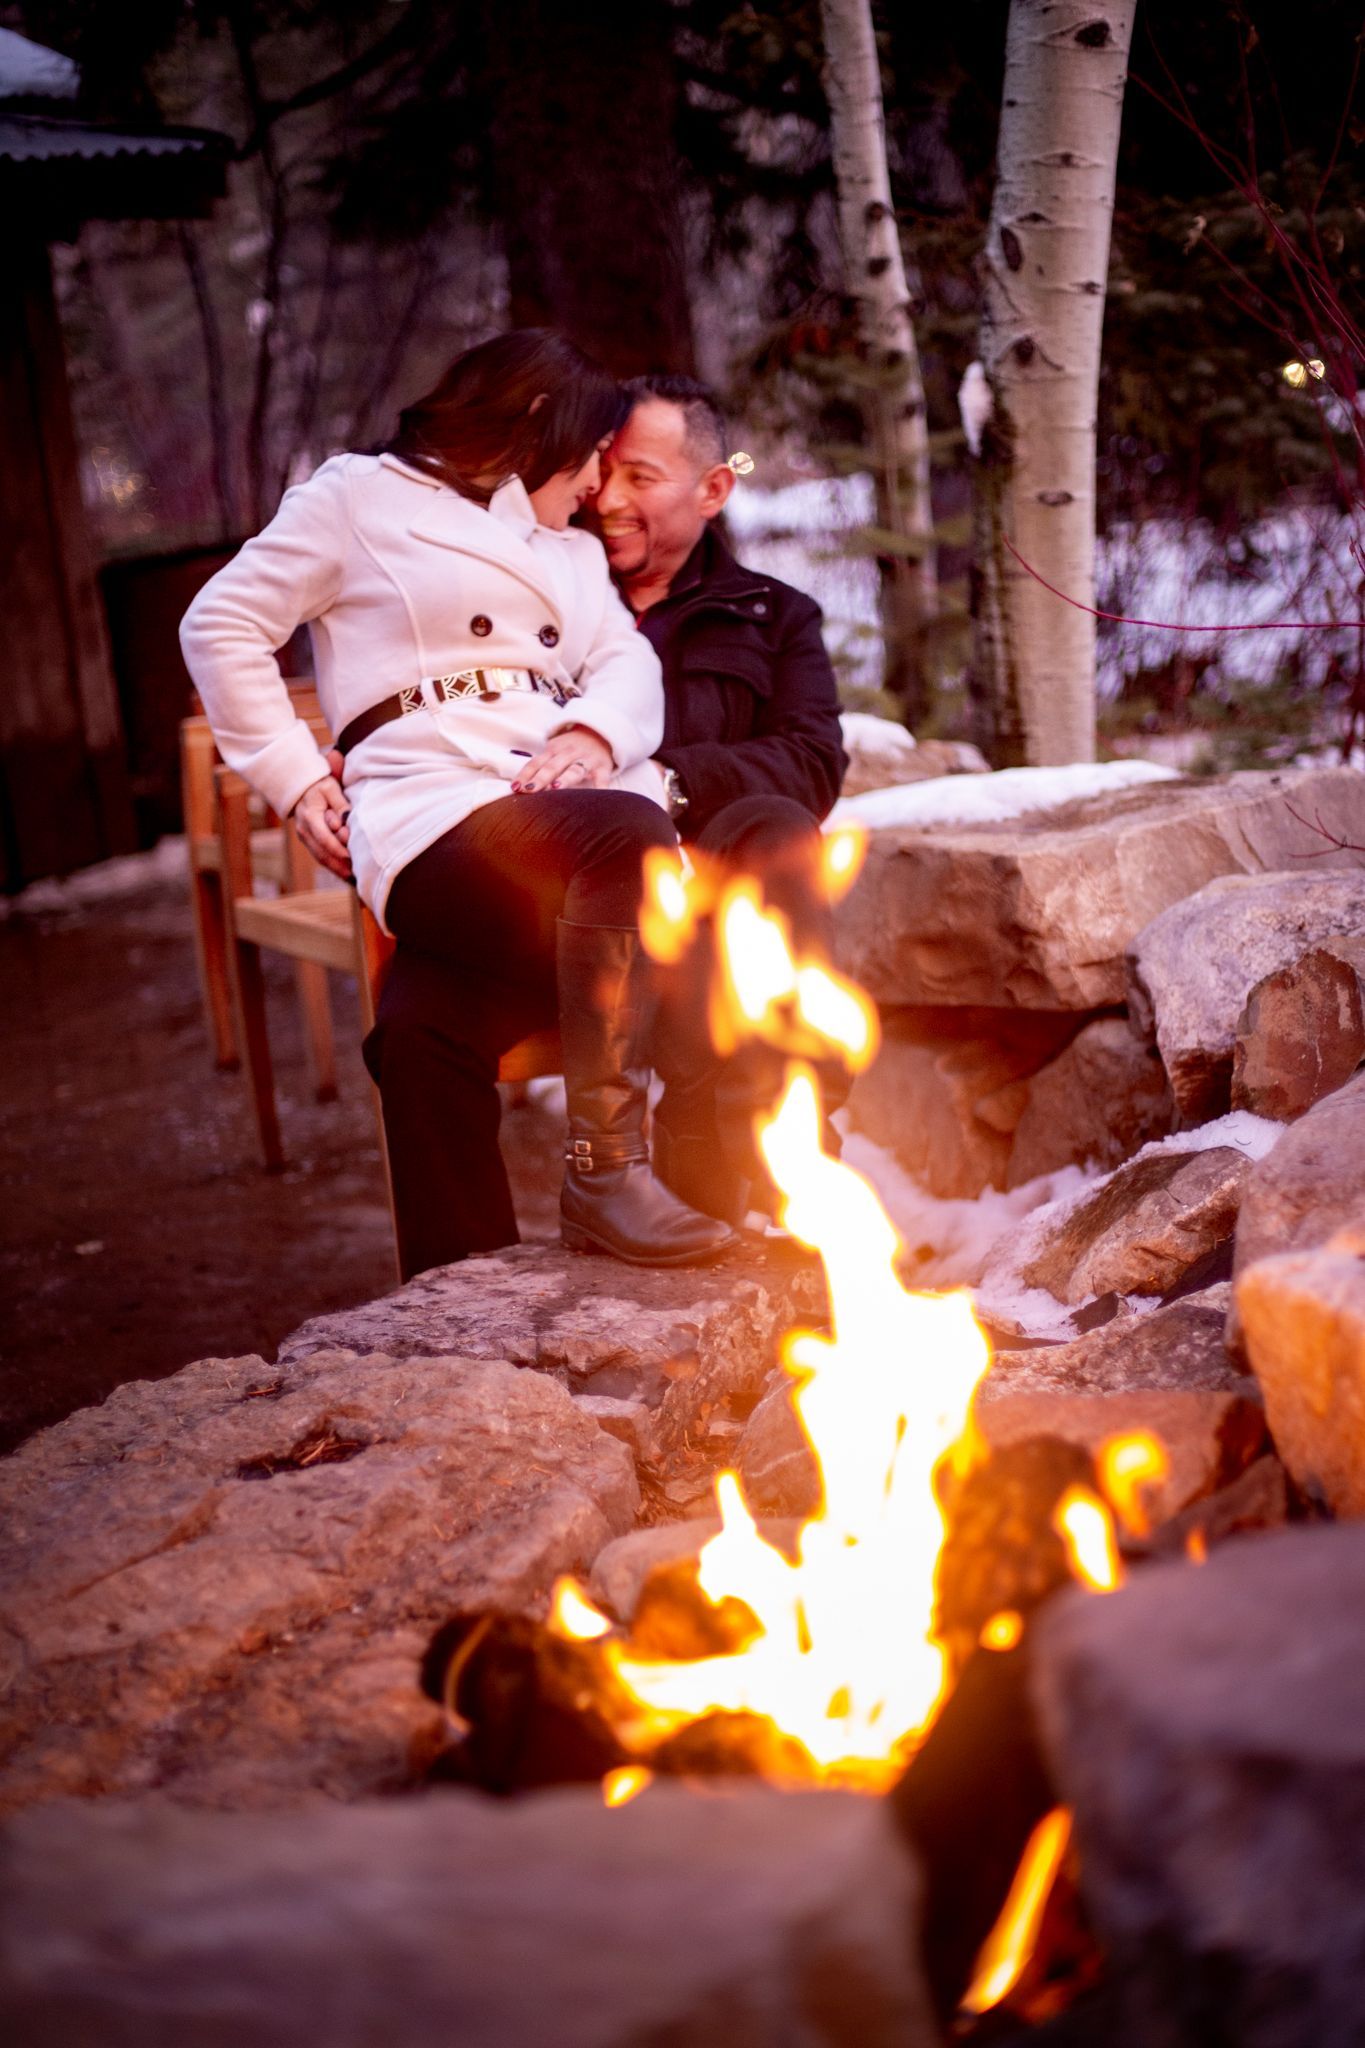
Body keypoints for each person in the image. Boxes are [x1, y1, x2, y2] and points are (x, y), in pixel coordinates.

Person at [179, 329, 736, 1273]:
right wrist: (295, 776)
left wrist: (592, 732)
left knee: (422, 1036)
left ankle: (458, 1306)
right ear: (533, 424)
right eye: (593, 456)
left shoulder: (559, 549)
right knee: (630, 845)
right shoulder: (356, 498)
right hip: (430, 801)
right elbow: (223, 622)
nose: (600, 487)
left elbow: (624, 657)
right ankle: (605, 1174)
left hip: (552, 798)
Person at [365, 371, 848, 1274]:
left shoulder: (772, 617)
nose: (608, 500)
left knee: (774, 824)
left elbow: (812, 762)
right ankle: (459, 1308)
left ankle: (747, 1203)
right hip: (526, 914)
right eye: (601, 475)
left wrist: (653, 786)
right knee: (415, 1031)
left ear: (713, 489)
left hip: (686, 936)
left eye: (642, 479)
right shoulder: (524, 590)